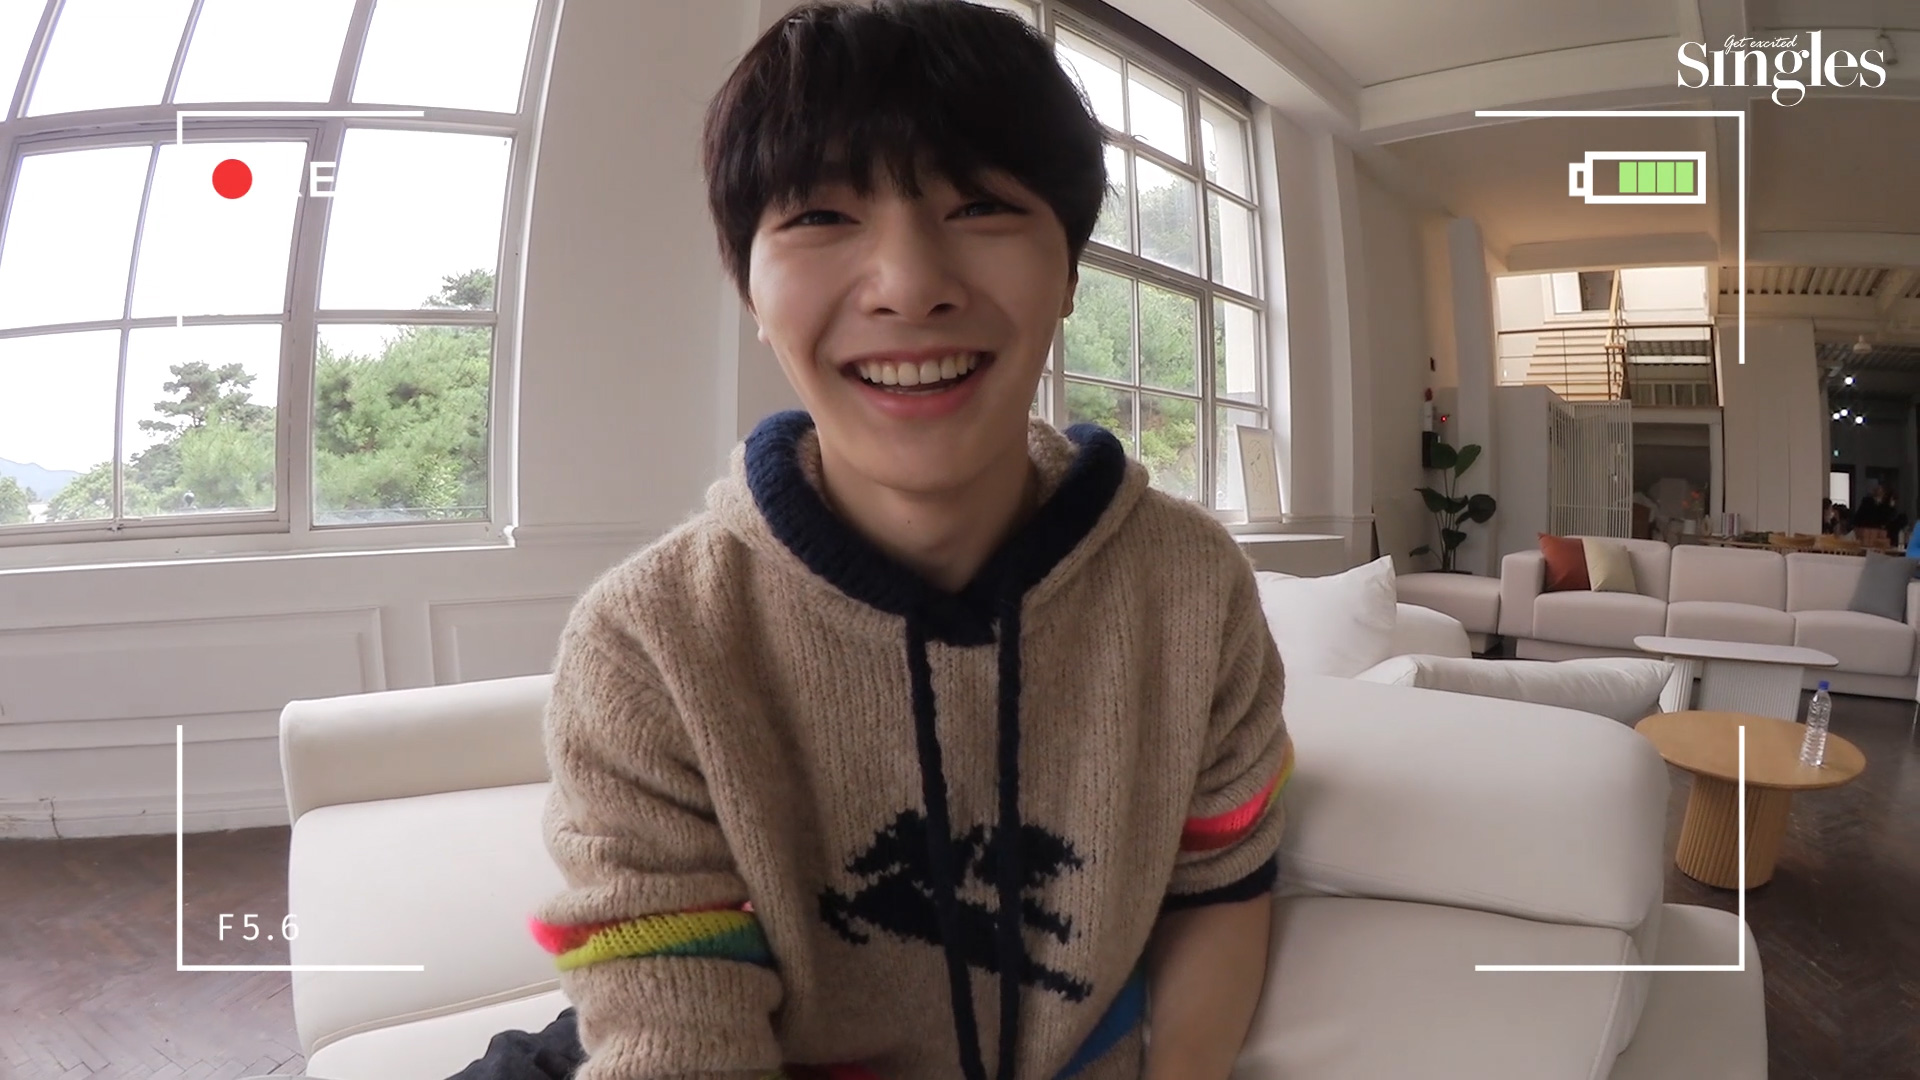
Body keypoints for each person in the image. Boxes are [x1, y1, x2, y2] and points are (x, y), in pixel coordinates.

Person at [460, 4, 1294, 1079]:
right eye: (820, 216)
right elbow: (676, 1027)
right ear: (750, 289)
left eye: (982, 205)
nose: (908, 285)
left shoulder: (1191, 587)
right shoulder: (649, 641)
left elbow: (1221, 878)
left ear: (1070, 272)